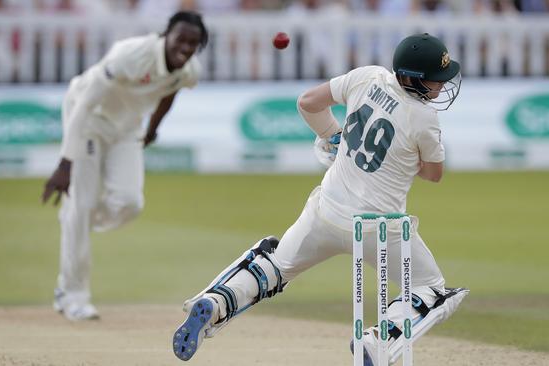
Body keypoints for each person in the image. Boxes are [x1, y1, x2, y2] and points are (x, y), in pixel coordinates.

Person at [172, 33, 469, 365]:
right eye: (435, 80)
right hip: (378, 229)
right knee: (431, 287)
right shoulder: (424, 117)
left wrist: (334, 137)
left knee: (275, 267)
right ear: (414, 79)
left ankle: (216, 302)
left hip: (326, 212)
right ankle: (379, 341)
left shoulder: (367, 76)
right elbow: (433, 173)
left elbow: (308, 103)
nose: (441, 87)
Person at [41, 11, 208, 321]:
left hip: (128, 127)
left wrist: (153, 127)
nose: (185, 48)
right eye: (180, 40)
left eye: (192, 44)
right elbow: (85, 104)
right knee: (82, 205)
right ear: (165, 36)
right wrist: (65, 163)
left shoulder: (189, 70)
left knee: (129, 203)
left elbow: (171, 90)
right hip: (89, 119)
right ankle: (72, 296)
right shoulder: (130, 55)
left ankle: (79, 216)